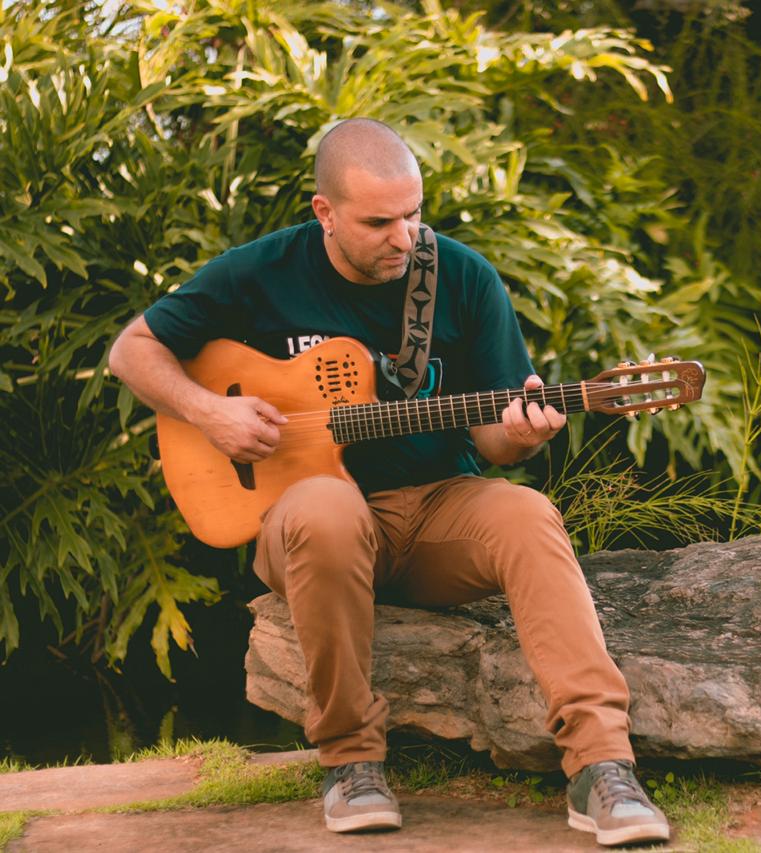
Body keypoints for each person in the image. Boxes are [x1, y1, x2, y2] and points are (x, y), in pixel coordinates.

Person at [107, 118, 669, 846]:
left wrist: (523, 431)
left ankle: (603, 766)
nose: (403, 237)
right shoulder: (260, 271)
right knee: (328, 509)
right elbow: (133, 349)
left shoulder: (462, 277)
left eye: (413, 214)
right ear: (325, 213)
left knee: (528, 514)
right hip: (311, 522)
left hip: (438, 508)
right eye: (379, 222)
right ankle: (351, 762)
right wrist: (209, 410)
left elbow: (494, 438)